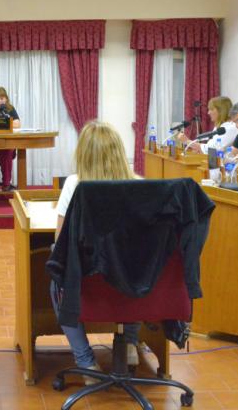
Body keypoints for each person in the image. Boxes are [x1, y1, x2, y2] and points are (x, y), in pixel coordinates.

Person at [53, 122, 141, 372]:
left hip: (86, 280)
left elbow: (60, 241)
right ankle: (130, 343)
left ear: (83, 153)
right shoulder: (140, 185)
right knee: (141, 266)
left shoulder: (74, 185)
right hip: (129, 281)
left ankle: (86, 362)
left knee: (55, 271)